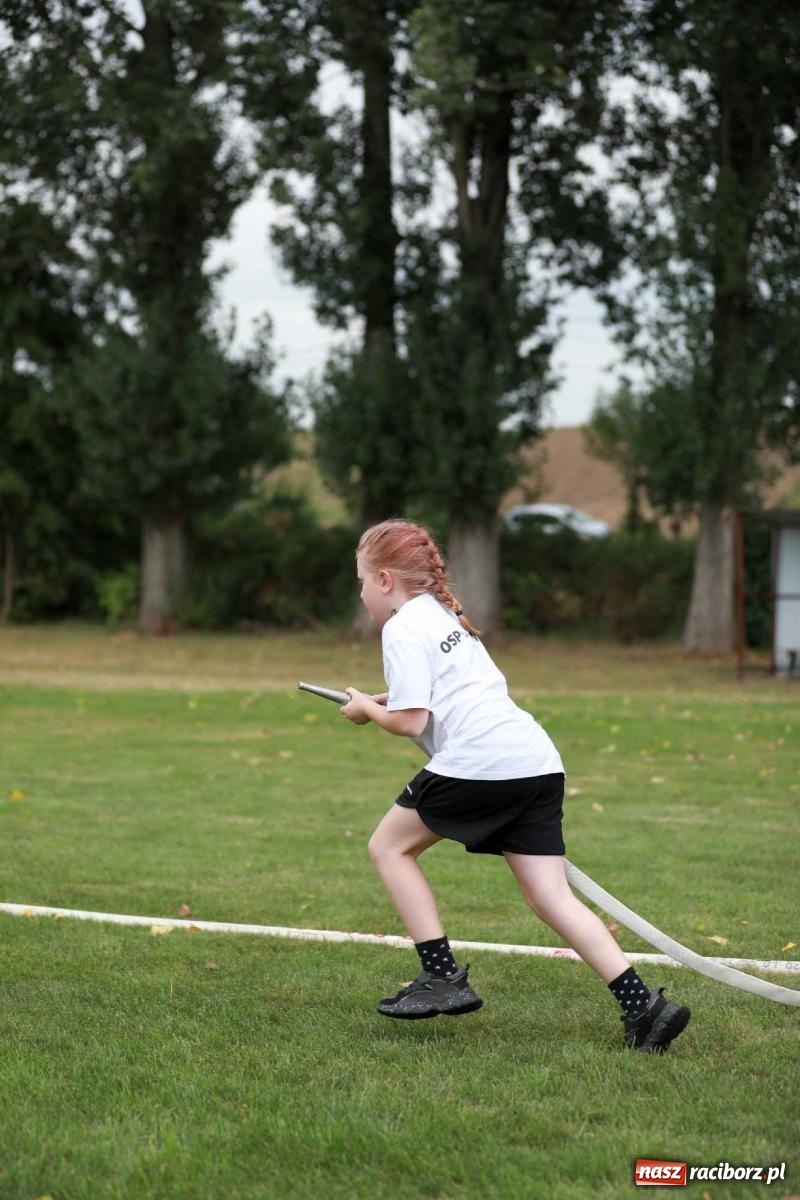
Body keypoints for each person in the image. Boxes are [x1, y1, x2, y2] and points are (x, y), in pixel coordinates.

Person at [340, 518, 691, 1053]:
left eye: (362, 581)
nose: (362, 592)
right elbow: (440, 694)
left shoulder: (401, 626)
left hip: (482, 762)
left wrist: (367, 709)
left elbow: (411, 721)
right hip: (536, 762)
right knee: (550, 896)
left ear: (385, 580)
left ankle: (441, 974)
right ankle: (645, 1008)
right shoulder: (440, 613)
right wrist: (382, 700)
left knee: (389, 847)